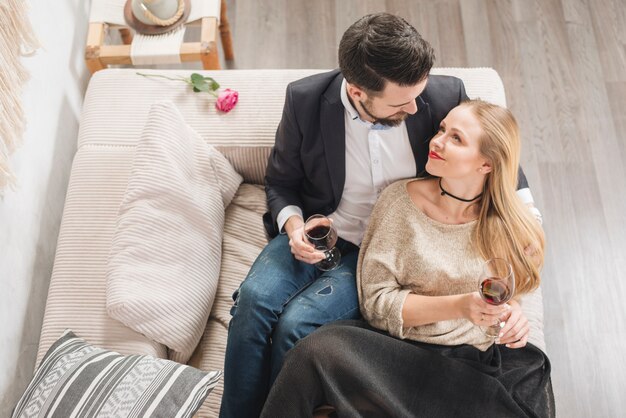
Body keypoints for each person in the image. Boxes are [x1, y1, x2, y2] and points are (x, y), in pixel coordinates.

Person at [220, 13, 539, 418]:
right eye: (401, 102)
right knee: (252, 302)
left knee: (297, 324)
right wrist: (294, 227)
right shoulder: (304, 100)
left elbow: (497, 155)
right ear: (357, 92)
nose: (416, 106)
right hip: (323, 232)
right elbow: (281, 181)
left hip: (386, 246)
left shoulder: (442, 94)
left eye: (418, 95)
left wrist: (528, 223)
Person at [260, 100, 554, 418]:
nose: (437, 141)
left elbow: (513, 290)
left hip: (470, 366)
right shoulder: (399, 201)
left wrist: (515, 314)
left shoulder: (508, 223)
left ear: (486, 164)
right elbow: (375, 303)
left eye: (456, 138)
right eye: (442, 129)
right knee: (317, 349)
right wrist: (459, 306)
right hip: (396, 357)